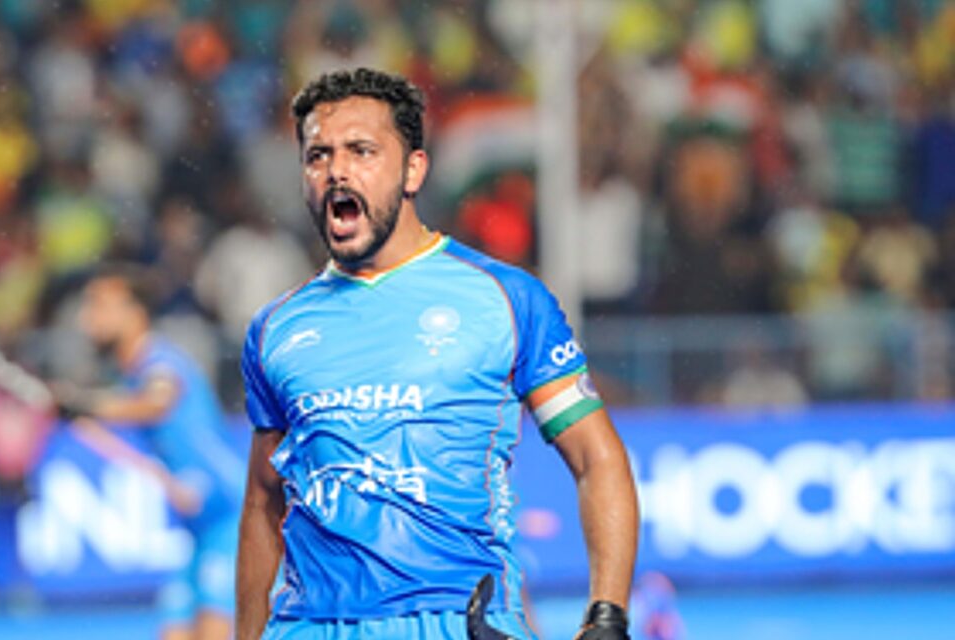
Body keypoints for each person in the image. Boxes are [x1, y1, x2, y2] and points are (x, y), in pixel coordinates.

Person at [236, 68, 639, 640]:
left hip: (457, 621)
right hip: (310, 627)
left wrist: (607, 616)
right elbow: (262, 502)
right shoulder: (274, 329)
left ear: (413, 170)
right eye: (318, 155)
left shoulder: (508, 299)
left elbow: (597, 459)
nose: (336, 171)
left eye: (361, 151)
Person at [55, 264, 245, 640]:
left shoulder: (160, 362)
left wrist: (86, 403)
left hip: (230, 517)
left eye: (99, 305)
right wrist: (78, 412)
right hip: (199, 526)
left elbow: (157, 401)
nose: (86, 318)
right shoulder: (128, 376)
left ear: (135, 313)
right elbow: (134, 441)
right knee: (173, 632)